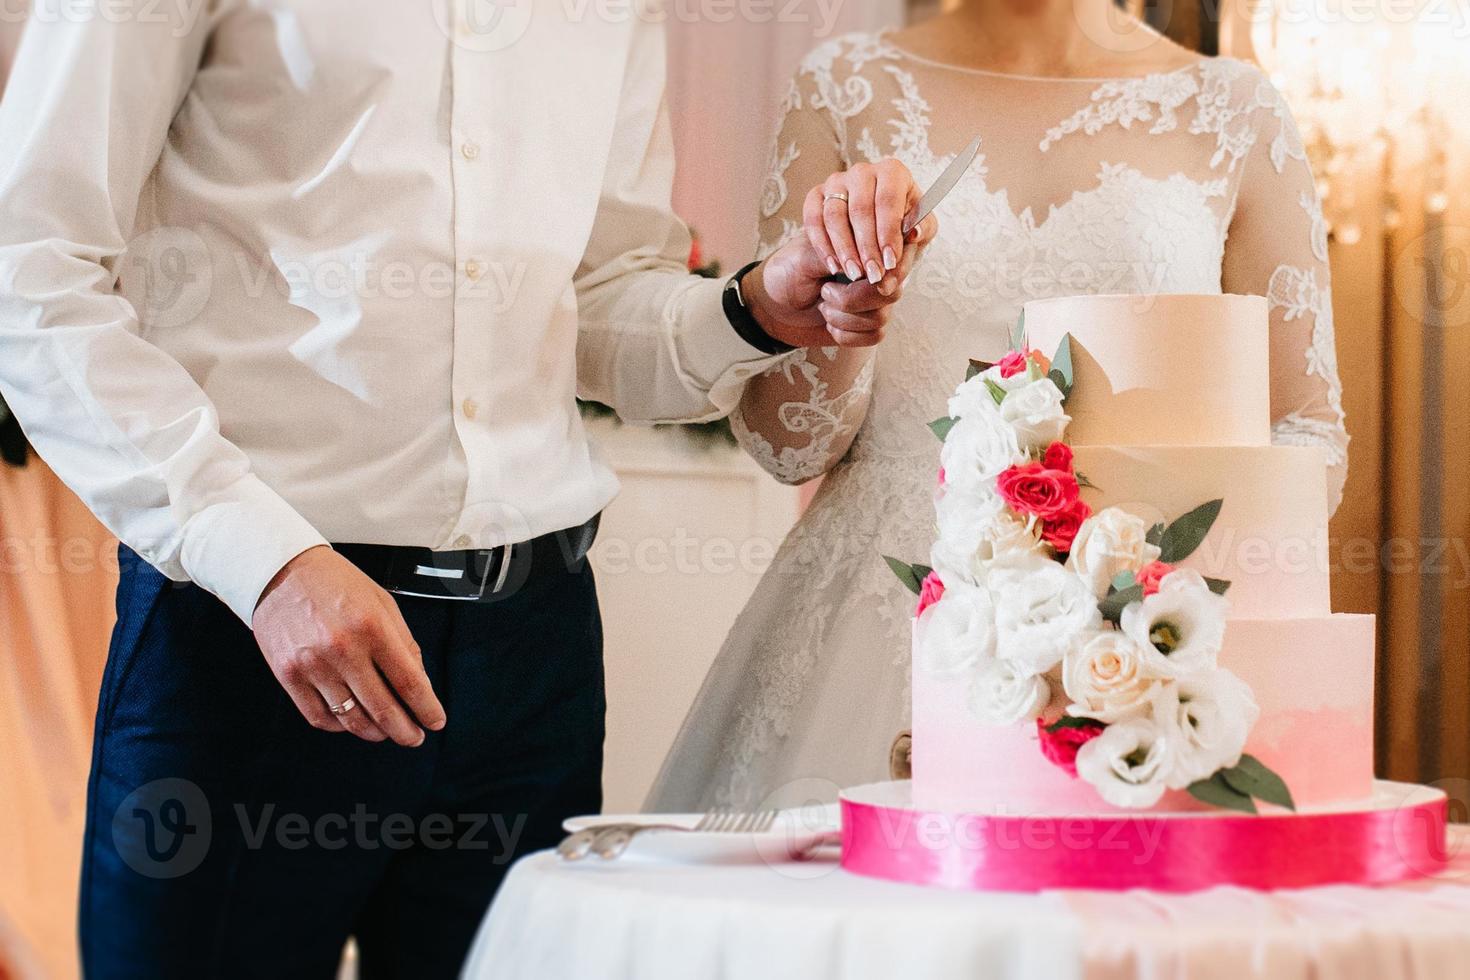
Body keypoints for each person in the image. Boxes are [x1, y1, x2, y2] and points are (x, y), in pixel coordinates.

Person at [0, 4, 935, 977]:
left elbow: (600, 296)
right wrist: (264, 561)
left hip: (531, 662)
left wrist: (754, 305)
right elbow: (27, 274)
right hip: (248, 642)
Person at [649, 5, 1348, 812]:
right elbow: (786, 448)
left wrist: (1146, 598)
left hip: (1134, 631)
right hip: (880, 614)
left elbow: (1306, 434)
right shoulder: (844, 86)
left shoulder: (1236, 109)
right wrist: (851, 310)